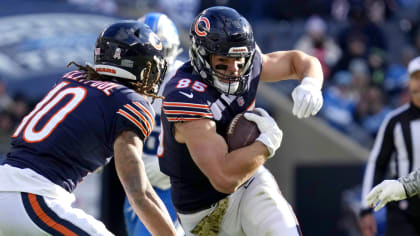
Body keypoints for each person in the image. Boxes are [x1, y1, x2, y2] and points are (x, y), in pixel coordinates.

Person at [0, 20, 177, 236]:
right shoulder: (129, 101)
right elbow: (139, 193)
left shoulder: (73, 79)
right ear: (141, 67)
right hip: (33, 195)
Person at [159, 6, 324, 236]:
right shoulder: (186, 95)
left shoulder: (247, 60)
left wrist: (311, 83)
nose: (234, 70)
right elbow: (224, 178)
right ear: (201, 56)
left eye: (239, 60)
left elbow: (299, 61)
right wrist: (266, 143)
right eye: (223, 62)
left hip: (249, 182)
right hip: (203, 213)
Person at [122, 12, 185, 236]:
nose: (151, 61)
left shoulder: (183, 81)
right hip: (137, 176)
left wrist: (171, 165)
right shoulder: (124, 81)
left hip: (173, 183)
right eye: (143, 52)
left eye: (158, 52)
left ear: (172, 50)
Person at [359, 56, 420, 236]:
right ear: (409, 83)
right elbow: (377, 163)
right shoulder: (395, 121)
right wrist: (366, 208)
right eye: (415, 78)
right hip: (402, 210)